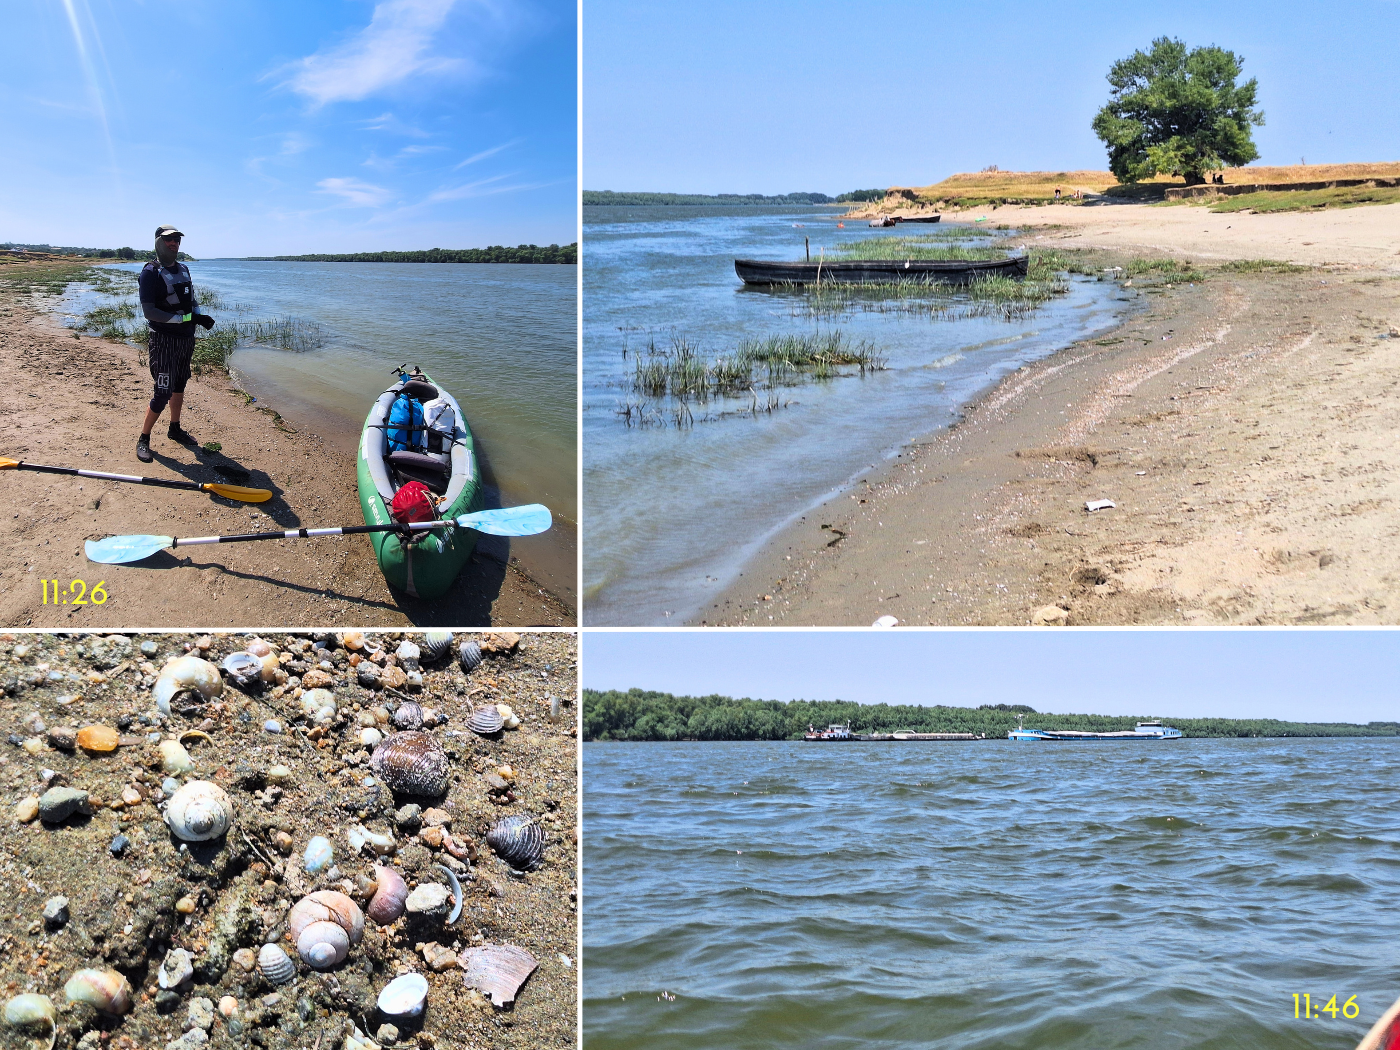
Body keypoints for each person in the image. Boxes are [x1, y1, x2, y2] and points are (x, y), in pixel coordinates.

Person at [136, 224, 215, 462]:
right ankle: (143, 438)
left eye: (177, 240)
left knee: (180, 385)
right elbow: (150, 312)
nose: (174, 244)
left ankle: (175, 428)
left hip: (185, 340)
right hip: (164, 340)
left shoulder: (184, 269)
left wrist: (198, 316)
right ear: (159, 242)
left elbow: (191, 299)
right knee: (162, 392)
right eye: (169, 240)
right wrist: (186, 318)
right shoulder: (150, 273)